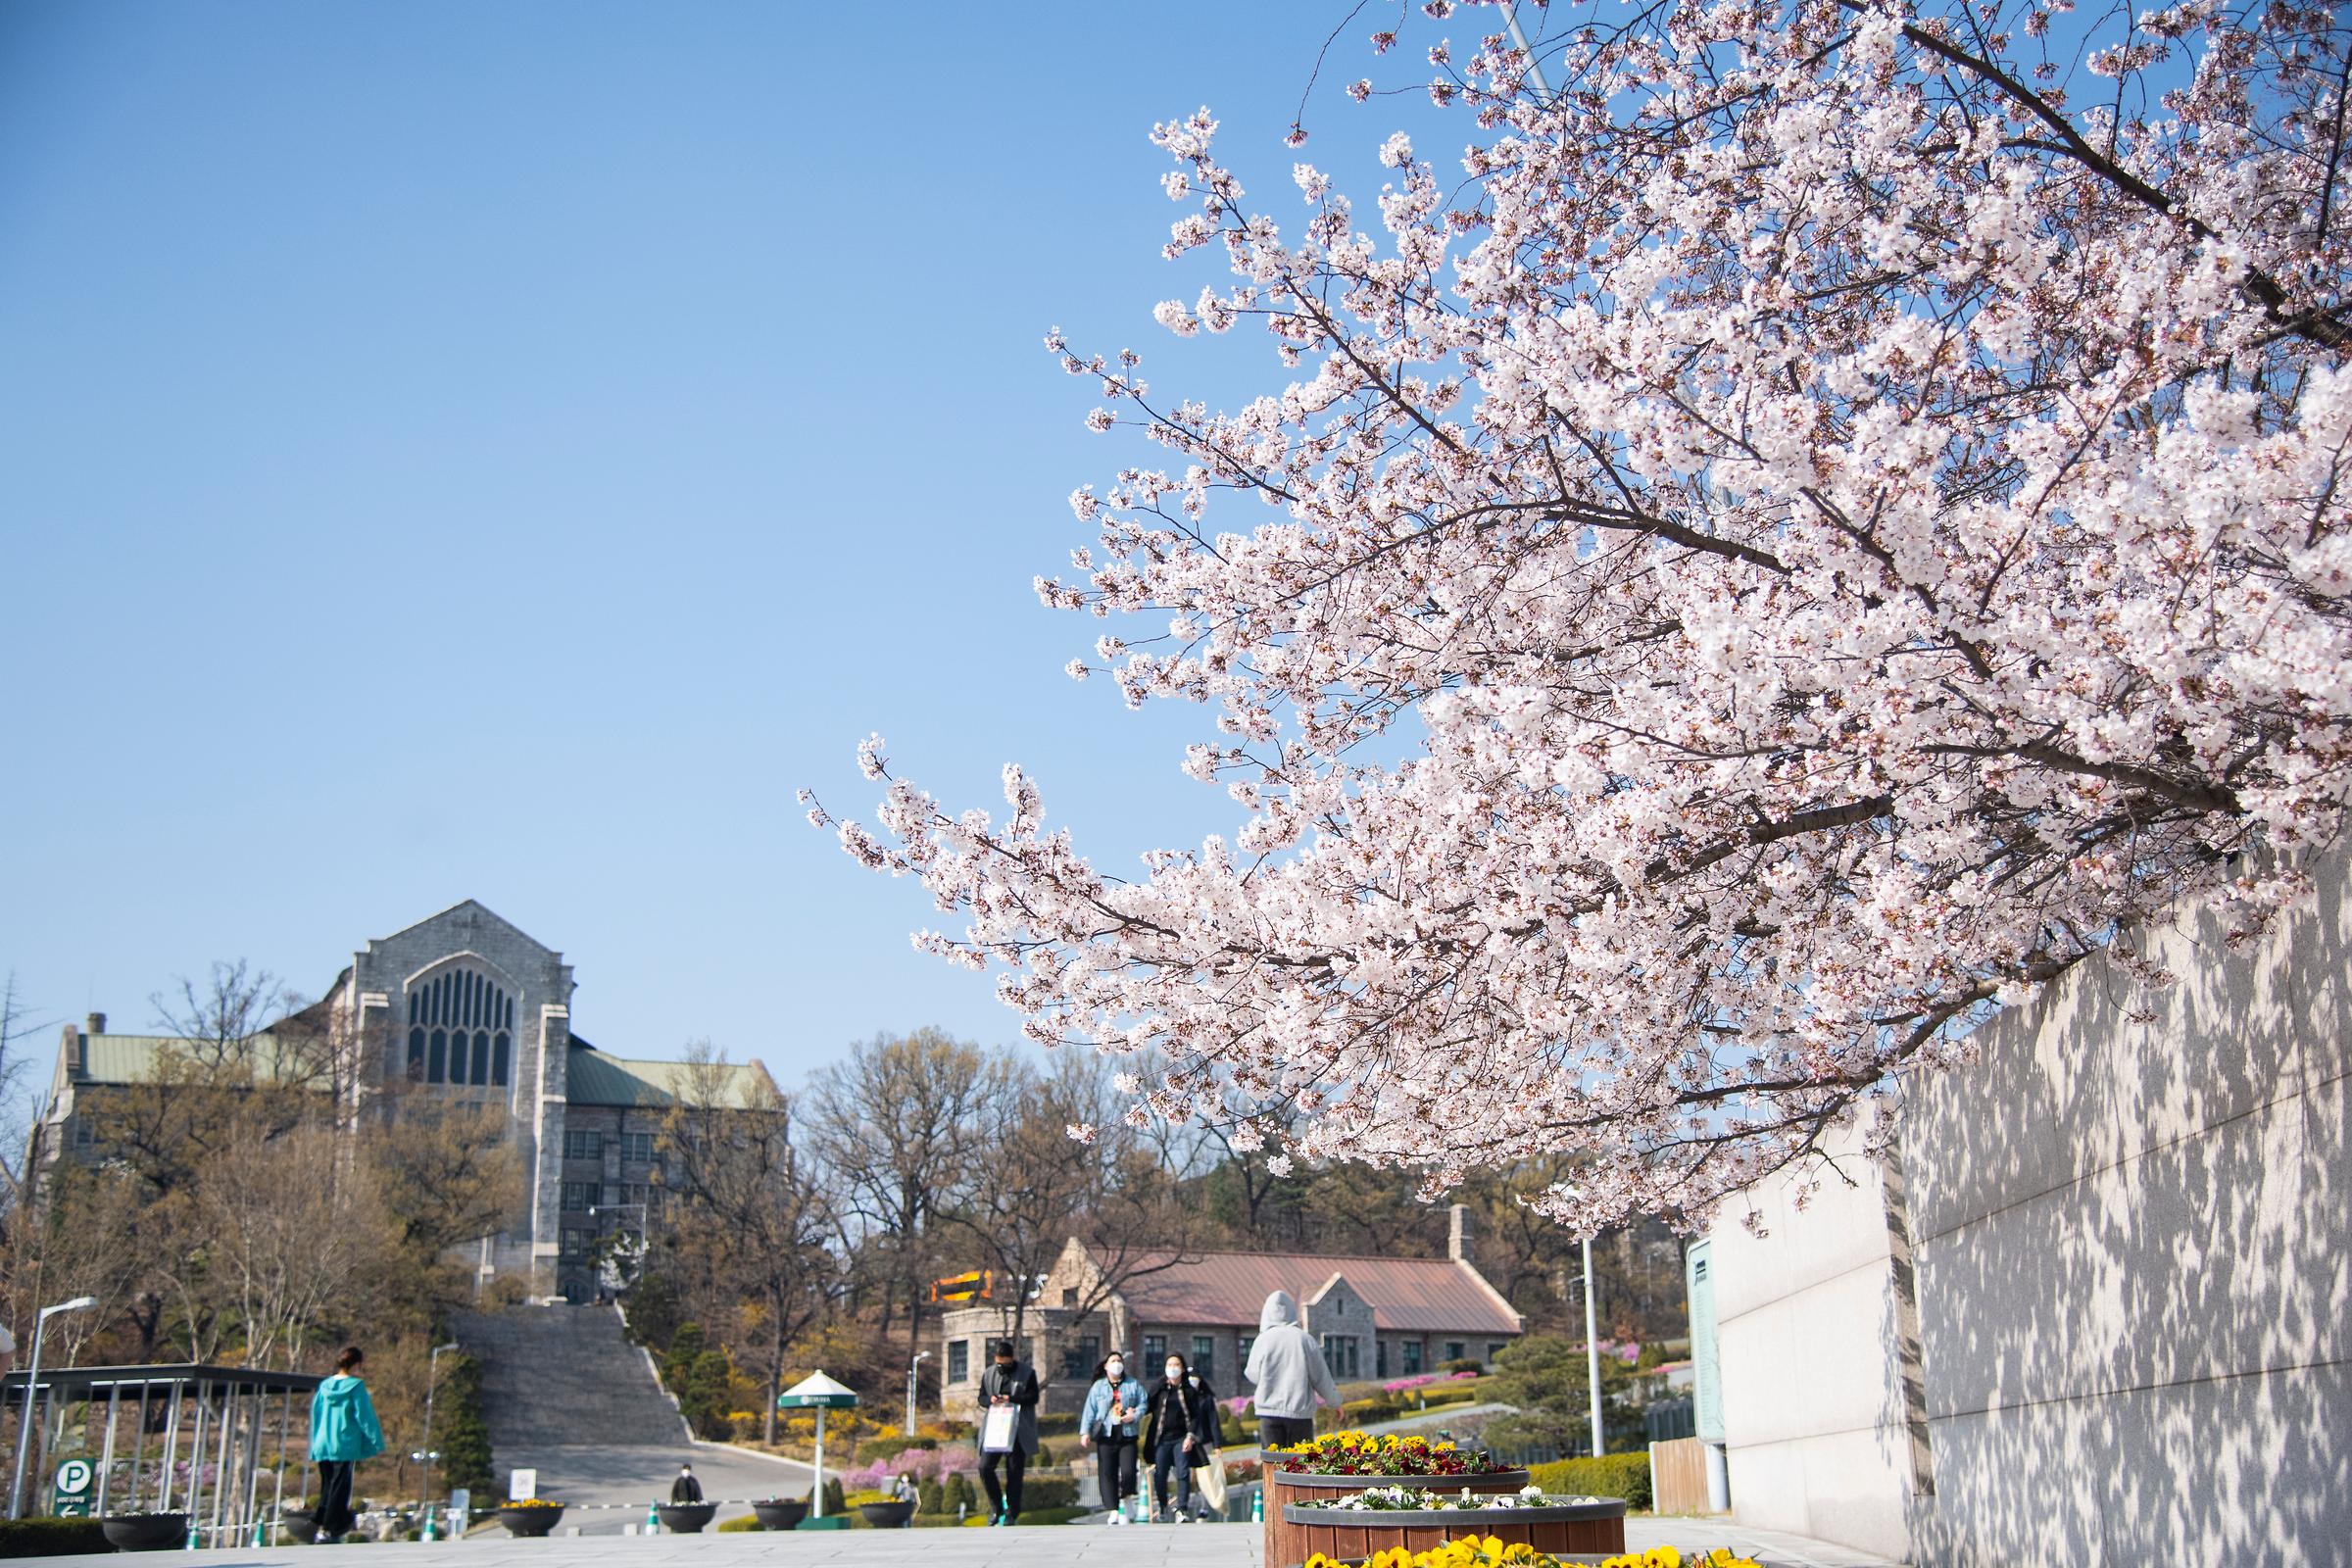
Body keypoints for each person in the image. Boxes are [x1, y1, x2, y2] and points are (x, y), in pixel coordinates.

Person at [1245, 1291, 1341, 1453]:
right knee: (1300, 1465)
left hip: (1269, 1413)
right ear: (1291, 1312)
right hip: (1300, 1414)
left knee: (1272, 1465)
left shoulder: (1262, 1340)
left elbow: (1253, 1375)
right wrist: (1335, 1402)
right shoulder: (1304, 1339)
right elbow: (1321, 1377)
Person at [309, 1347, 384, 1544]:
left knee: (327, 1486)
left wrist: (315, 1442)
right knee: (340, 1488)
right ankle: (330, 1528)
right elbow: (365, 1416)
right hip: (343, 1443)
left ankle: (322, 1523)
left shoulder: (324, 1386)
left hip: (323, 1442)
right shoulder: (356, 1387)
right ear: (356, 1364)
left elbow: (316, 1415)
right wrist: (377, 1441)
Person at [1143, 1351, 1214, 1523]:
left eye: (1176, 1365)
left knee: (1183, 1472)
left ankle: (1182, 1508)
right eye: (1169, 1365)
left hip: (1181, 1438)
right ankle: (1162, 1506)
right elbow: (1146, 1406)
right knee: (1160, 1474)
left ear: (1182, 1369)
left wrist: (1190, 1436)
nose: (1173, 1369)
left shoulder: (1189, 1391)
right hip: (1161, 1438)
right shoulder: (1159, 1388)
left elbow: (1195, 1416)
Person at [976, 1339, 1040, 1526]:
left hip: (1017, 1428)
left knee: (1014, 1471)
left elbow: (1033, 1396)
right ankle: (996, 1507)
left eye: (1006, 1364)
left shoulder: (1027, 1373)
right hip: (995, 1426)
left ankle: (1012, 1511)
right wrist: (991, 1400)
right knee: (985, 1467)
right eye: (999, 1364)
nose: (1002, 1367)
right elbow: (981, 1397)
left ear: (1012, 1359)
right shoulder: (988, 1373)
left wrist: (1012, 1398)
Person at [1079, 1350, 1145, 1523]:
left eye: (1119, 1360)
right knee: (1107, 1473)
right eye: (1113, 1361)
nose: (1117, 1364)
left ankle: (1127, 1495)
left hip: (1127, 1434)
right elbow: (1089, 1410)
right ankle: (1113, 1509)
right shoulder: (1098, 1387)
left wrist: (1135, 1413)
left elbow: (1144, 1403)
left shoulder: (1133, 1384)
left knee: (1129, 1470)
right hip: (1106, 1435)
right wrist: (1085, 1432)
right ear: (1106, 1366)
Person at [1183, 1363, 1223, 1519]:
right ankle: (1183, 1506)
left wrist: (1217, 1444)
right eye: (1189, 1377)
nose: (1192, 1380)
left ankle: (1203, 1506)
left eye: (1195, 1377)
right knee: (1184, 1474)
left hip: (1203, 1441)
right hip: (1185, 1441)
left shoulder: (1206, 1399)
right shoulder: (1182, 1396)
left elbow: (1214, 1422)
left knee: (1204, 1476)